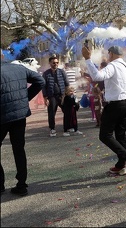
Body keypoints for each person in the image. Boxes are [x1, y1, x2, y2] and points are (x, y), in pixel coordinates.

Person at [81, 45, 126, 177]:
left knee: (105, 135)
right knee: (120, 134)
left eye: (108, 54)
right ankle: (121, 165)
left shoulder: (113, 66)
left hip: (116, 104)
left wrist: (87, 59)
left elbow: (96, 76)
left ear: (111, 54)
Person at [1, 53, 45, 196]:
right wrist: (25, 98)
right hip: (19, 115)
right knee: (19, 149)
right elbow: (40, 81)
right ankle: (21, 185)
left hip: (2, 115)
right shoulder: (19, 68)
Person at [42, 55, 70, 137]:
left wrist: (67, 95)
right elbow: (43, 86)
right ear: (50, 63)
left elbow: (67, 84)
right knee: (51, 113)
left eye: (57, 62)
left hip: (62, 96)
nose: (56, 64)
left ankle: (67, 128)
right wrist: (45, 97)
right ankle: (52, 129)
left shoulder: (62, 72)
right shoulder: (46, 74)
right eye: (54, 63)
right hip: (52, 96)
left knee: (67, 111)